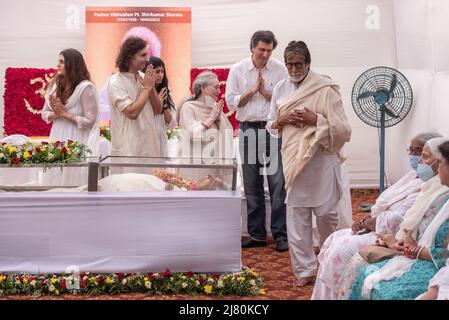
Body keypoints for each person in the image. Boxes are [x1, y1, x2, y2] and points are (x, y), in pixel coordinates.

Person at [312, 132, 441, 299]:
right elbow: (385, 204)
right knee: (335, 238)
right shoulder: (412, 176)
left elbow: (400, 221)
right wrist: (367, 221)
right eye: (413, 152)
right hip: (380, 227)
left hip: (395, 235)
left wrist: (370, 223)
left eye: (422, 154)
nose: (417, 159)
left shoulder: (433, 187)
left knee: (342, 250)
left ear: (440, 161)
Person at [267, 41, 352, 286]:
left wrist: (315, 119)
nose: (293, 69)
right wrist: (281, 120)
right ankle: (304, 271)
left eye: (298, 64)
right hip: (293, 161)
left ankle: (329, 265)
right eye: (289, 64)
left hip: (322, 161)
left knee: (326, 215)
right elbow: (270, 125)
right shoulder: (281, 88)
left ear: (308, 63)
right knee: (297, 219)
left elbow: (343, 129)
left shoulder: (325, 87)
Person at [225, 30, 289, 252]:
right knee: (251, 184)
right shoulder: (238, 69)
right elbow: (231, 103)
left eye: (269, 50)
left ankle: (281, 235)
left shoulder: (281, 69)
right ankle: (257, 234)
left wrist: (266, 92)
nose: (265, 54)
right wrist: (252, 91)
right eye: (262, 49)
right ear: (252, 48)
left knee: (278, 183)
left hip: (273, 130)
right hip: (248, 129)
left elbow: (286, 101)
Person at [41, 48, 100, 186]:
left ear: (72, 64)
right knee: (55, 179)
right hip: (57, 137)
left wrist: (64, 114)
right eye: (58, 61)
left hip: (77, 140)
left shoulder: (86, 88)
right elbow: (44, 113)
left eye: (62, 62)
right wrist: (56, 114)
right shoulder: (54, 86)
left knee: (72, 181)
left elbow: (90, 121)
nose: (58, 65)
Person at [108, 37, 161, 173]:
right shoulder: (116, 82)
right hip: (129, 147)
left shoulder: (143, 77)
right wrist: (147, 88)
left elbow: (158, 109)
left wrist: (151, 86)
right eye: (143, 55)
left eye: (147, 54)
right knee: (130, 189)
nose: (147, 58)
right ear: (129, 57)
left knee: (152, 187)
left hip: (149, 146)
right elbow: (132, 113)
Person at [178, 71, 233, 182]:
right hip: (194, 164)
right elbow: (192, 134)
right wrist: (211, 119)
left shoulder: (215, 108)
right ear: (203, 88)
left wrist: (219, 120)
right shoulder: (188, 107)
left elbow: (228, 132)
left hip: (213, 166)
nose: (219, 91)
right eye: (216, 87)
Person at [144, 56, 177, 157]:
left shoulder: (166, 91)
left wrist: (164, 105)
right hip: (146, 142)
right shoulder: (142, 91)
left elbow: (172, 124)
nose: (160, 75)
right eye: (157, 71)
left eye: (162, 71)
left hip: (161, 141)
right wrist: (157, 100)